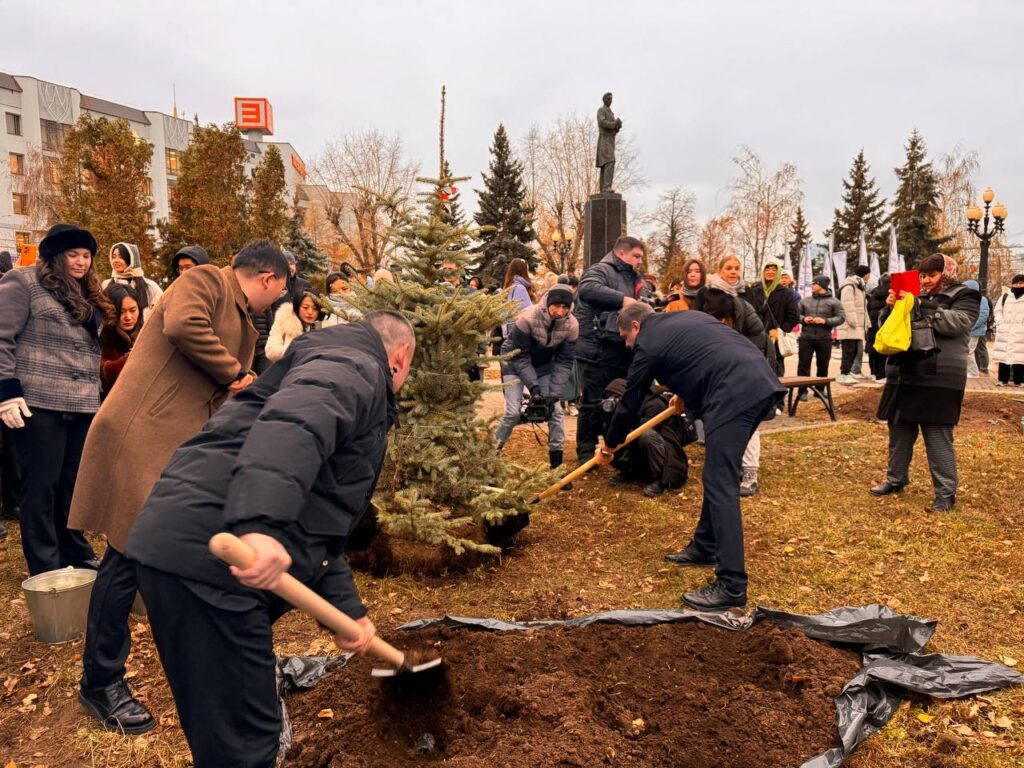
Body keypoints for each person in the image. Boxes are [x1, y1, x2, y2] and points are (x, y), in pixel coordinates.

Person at [123, 312, 415, 768]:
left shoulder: (334, 358)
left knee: (234, 730)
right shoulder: (355, 366)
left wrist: (348, 615)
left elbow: (319, 520)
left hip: (195, 548)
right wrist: (259, 522)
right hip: (206, 559)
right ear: (402, 356)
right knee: (243, 740)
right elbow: (294, 427)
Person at [67, 241, 287, 735]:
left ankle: (204, 651)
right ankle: (100, 681)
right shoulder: (207, 280)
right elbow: (182, 326)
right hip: (141, 435)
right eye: (278, 289)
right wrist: (237, 376)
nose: (275, 301)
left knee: (152, 552)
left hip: (172, 446)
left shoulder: (239, 315)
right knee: (127, 557)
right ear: (269, 278)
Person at [597, 304, 784, 610]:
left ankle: (732, 585)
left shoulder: (648, 343)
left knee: (720, 481)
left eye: (625, 338)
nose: (628, 346)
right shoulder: (683, 318)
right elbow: (704, 354)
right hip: (757, 380)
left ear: (635, 328)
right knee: (717, 474)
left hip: (734, 393)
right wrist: (684, 390)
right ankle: (705, 547)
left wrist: (611, 445)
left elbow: (631, 401)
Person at [0, 224, 113, 574]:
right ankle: (46, 564)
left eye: (86, 255)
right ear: (55, 255)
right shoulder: (23, 282)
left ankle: (74, 551)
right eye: (73, 254)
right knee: (40, 487)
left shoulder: (88, 291)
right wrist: (6, 391)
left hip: (81, 403)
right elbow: (2, 337)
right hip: (39, 402)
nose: (81, 262)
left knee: (72, 486)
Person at [870, 254, 979, 512]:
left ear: (947, 273)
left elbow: (960, 323)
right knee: (899, 430)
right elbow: (887, 326)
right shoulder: (912, 295)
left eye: (932, 275)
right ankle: (895, 480)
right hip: (905, 371)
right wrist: (891, 307)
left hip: (941, 375)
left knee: (936, 434)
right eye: (923, 276)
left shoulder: (965, 295)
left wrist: (918, 306)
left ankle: (945, 493)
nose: (926, 280)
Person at [573, 236, 645, 464]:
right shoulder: (600, 270)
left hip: (621, 349)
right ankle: (586, 452)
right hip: (596, 348)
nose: (640, 261)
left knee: (619, 400)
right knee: (591, 402)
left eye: (641, 257)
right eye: (636, 256)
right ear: (621, 253)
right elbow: (587, 289)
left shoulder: (635, 277)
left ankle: (616, 450)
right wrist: (624, 300)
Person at [494, 286, 578, 470]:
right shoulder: (526, 317)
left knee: (555, 412)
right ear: (548, 303)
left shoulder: (572, 325)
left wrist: (554, 394)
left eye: (565, 307)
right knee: (512, 412)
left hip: (543, 365)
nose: (560, 312)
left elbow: (564, 362)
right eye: (556, 306)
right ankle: (490, 457)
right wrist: (534, 388)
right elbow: (520, 357)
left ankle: (557, 466)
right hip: (513, 360)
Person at [601, 378, 692, 497]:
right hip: (639, 451)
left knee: (645, 434)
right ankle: (630, 472)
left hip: (667, 453)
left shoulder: (654, 404)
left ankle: (661, 479)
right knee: (612, 430)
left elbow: (637, 435)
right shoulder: (619, 411)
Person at [746, 259, 800, 379]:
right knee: (754, 370)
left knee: (775, 372)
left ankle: (777, 397)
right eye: (767, 269)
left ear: (778, 274)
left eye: (774, 270)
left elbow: (794, 317)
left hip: (775, 338)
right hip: (755, 336)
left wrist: (779, 330)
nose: (770, 272)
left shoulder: (785, 293)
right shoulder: (754, 290)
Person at [796, 276, 845, 401]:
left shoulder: (834, 302)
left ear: (822, 285)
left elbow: (841, 318)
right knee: (803, 365)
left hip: (825, 338)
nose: (811, 285)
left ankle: (820, 390)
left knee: (823, 365)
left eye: (814, 283)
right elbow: (796, 314)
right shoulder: (805, 301)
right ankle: (802, 391)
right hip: (806, 337)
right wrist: (803, 319)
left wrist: (825, 321)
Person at [99, 284, 144, 394]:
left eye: (133, 310)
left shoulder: (145, 334)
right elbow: (101, 372)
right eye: (121, 312)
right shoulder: (99, 337)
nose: (128, 317)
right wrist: (130, 359)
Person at [103, 242, 163, 321]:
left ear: (131, 259)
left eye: (120, 257)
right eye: (114, 257)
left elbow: (161, 311)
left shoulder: (150, 286)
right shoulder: (106, 284)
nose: (116, 261)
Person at [835, 265, 871, 384]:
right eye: (868, 274)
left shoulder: (859, 286)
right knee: (848, 350)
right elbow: (847, 305)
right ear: (865, 274)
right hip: (850, 325)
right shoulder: (850, 286)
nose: (869, 277)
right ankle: (843, 373)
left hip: (857, 325)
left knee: (854, 350)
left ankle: (848, 373)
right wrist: (853, 322)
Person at [266, 292, 323, 362]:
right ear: (297, 307)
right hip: (290, 370)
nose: (310, 312)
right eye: (305, 307)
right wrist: (297, 347)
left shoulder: (326, 326)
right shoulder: (284, 319)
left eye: (315, 309)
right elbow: (271, 351)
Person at [992, 275, 1024, 386]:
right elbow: (997, 311)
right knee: (1003, 356)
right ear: (1012, 284)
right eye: (1016, 283)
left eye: (1021, 283)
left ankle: (1019, 381)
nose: (1019, 285)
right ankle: (1002, 380)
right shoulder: (1005, 297)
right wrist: (1000, 323)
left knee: (1020, 358)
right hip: (1005, 330)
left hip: (1020, 332)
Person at [866, 273, 892, 382]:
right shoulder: (892, 294)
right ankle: (882, 375)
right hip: (885, 325)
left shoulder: (873, 294)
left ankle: (874, 373)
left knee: (873, 349)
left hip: (872, 325)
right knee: (884, 350)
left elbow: (868, 309)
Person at [963, 279, 989, 378]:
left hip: (974, 331)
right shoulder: (966, 299)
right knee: (967, 352)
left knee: (969, 351)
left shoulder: (982, 300)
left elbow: (983, 315)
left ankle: (973, 373)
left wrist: (970, 326)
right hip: (968, 330)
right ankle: (970, 372)